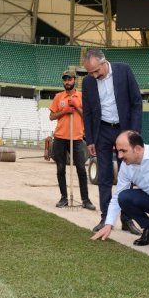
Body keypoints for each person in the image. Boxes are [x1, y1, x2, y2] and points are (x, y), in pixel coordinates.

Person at [82, 49, 143, 235]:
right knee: (105, 176)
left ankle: (127, 219)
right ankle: (106, 218)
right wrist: (91, 139)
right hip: (102, 131)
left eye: (96, 71)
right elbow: (88, 112)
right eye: (90, 72)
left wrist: (133, 133)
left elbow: (136, 102)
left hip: (124, 130)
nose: (94, 75)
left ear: (103, 62)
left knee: (127, 175)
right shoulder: (87, 82)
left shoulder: (123, 70)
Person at [48, 69, 95, 210]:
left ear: (74, 80)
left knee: (81, 169)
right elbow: (51, 116)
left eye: (69, 79)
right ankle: (64, 198)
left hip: (77, 138)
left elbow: (88, 117)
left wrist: (76, 107)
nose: (67, 82)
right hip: (60, 138)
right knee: (60, 168)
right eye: (65, 79)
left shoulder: (81, 96)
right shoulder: (58, 97)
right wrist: (65, 111)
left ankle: (85, 200)